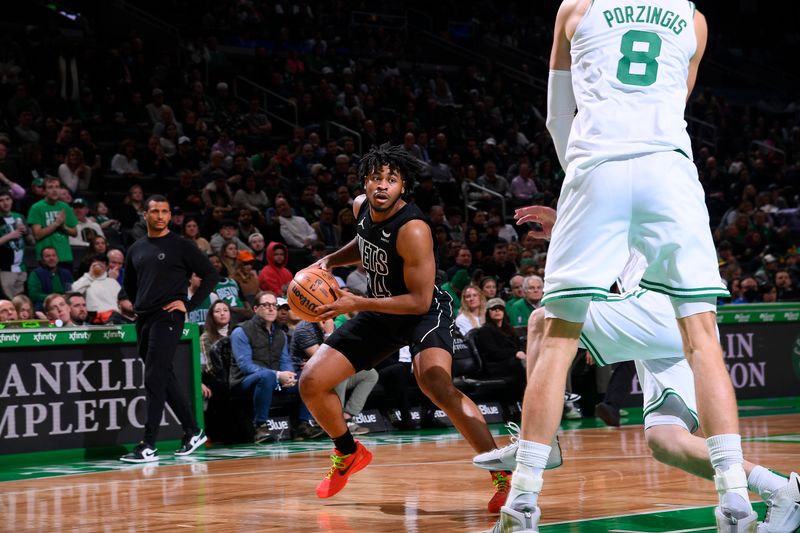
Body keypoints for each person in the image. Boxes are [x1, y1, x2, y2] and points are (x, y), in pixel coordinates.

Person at [488, 4, 756, 531]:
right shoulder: (695, 20)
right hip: (668, 169)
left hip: (597, 165)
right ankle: (736, 500)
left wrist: (585, 184)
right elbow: (667, 105)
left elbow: (557, 117)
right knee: (704, 338)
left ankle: (522, 500)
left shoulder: (576, 8)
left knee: (556, 333)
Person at [477, 206, 799, 533]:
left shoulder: (639, 180)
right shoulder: (649, 207)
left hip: (664, 306)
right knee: (668, 441)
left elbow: (606, 219)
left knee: (541, 321)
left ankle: (542, 442)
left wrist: (565, 222)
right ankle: (781, 489)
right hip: (678, 320)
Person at [298, 143, 509, 511]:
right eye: (376, 178)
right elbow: (363, 242)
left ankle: (502, 473)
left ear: (402, 187)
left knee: (436, 384)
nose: (382, 186)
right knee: (311, 383)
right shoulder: (361, 208)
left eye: (391, 180)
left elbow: (419, 301)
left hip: (421, 312)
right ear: (364, 182)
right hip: (380, 312)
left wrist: (357, 301)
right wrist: (329, 260)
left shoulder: (414, 229)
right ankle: (348, 453)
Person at [120, 195, 219, 463]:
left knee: (153, 376)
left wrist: (188, 303)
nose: (161, 216)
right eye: (155, 211)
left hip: (169, 317)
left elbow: (210, 275)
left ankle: (148, 444)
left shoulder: (181, 246)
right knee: (163, 375)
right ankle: (193, 429)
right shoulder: (136, 248)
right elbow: (128, 282)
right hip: (144, 318)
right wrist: (135, 302)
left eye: (165, 211)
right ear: (145, 215)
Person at [230, 291, 325, 443]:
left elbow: (285, 360)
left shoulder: (279, 333)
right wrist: (276, 374)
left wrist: (290, 376)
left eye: (274, 305)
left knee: (310, 378)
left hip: (273, 378)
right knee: (267, 376)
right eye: (266, 305)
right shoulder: (241, 331)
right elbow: (245, 365)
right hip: (243, 381)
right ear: (256, 309)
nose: (271, 309)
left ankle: (303, 424)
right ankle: (260, 427)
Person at [27, 176, 78, 269]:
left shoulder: (65, 207)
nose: (54, 190)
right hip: (46, 259)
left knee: (67, 284)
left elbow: (75, 233)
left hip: (65, 256)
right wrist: (55, 224)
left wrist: (63, 227)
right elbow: (37, 235)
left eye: (57, 187)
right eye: (50, 187)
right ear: (44, 191)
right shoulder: (36, 208)